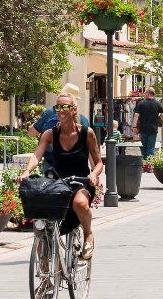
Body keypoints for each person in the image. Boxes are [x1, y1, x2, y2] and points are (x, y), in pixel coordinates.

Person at [20, 92, 103, 259]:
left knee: (80, 203)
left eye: (64, 107)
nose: (60, 110)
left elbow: (99, 162)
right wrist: (27, 171)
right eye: (57, 107)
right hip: (57, 183)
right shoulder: (50, 134)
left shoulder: (87, 133)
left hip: (81, 182)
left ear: (73, 110)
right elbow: (37, 156)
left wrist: (93, 175)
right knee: (41, 226)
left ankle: (88, 235)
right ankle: (45, 275)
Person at [28, 87, 91, 171]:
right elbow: (90, 151)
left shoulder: (49, 113)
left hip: (51, 162)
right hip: (76, 164)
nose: (61, 111)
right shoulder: (84, 120)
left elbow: (32, 134)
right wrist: (94, 174)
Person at [132, 88, 163, 159]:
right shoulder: (158, 103)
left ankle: (144, 162)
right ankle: (149, 165)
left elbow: (136, 115)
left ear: (148, 93)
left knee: (143, 146)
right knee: (151, 147)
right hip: (153, 129)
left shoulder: (141, 103)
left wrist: (134, 126)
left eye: (145, 93)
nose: (144, 94)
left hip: (143, 128)